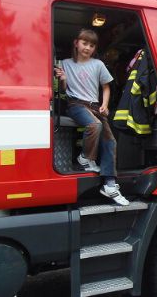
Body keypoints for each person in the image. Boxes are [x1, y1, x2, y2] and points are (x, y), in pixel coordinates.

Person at [55, 28, 129, 206]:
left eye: (92, 45)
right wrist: (63, 78)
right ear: (76, 43)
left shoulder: (98, 65)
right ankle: (85, 158)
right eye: (84, 43)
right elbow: (64, 90)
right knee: (95, 125)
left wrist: (104, 104)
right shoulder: (65, 63)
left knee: (110, 142)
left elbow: (106, 87)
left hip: (95, 106)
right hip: (75, 104)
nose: (87, 47)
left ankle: (110, 186)